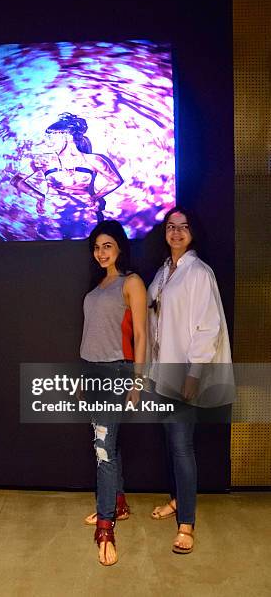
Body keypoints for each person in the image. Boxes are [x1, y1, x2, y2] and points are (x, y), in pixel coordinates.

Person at [147, 206, 232, 554]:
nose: (176, 232)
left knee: (182, 444)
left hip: (184, 372)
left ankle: (187, 522)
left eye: (183, 227)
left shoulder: (198, 272)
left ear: (193, 232)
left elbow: (207, 326)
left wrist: (195, 372)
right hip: (162, 371)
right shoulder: (164, 271)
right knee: (170, 441)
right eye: (171, 226)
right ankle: (176, 500)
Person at [80, 220, 147, 566]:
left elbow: (141, 334)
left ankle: (106, 527)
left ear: (120, 246)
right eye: (96, 247)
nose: (101, 252)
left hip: (116, 373)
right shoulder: (97, 287)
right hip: (92, 373)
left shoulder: (130, 282)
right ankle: (118, 503)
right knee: (109, 444)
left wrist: (137, 379)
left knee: (103, 451)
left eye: (107, 245)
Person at [10, 113, 123, 238]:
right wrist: (40, 197)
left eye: (51, 136)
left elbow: (115, 181)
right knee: (52, 254)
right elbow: (16, 181)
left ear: (68, 136)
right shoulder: (44, 160)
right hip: (52, 215)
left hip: (85, 215)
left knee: (83, 252)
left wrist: (96, 197)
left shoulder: (93, 160)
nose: (47, 141)